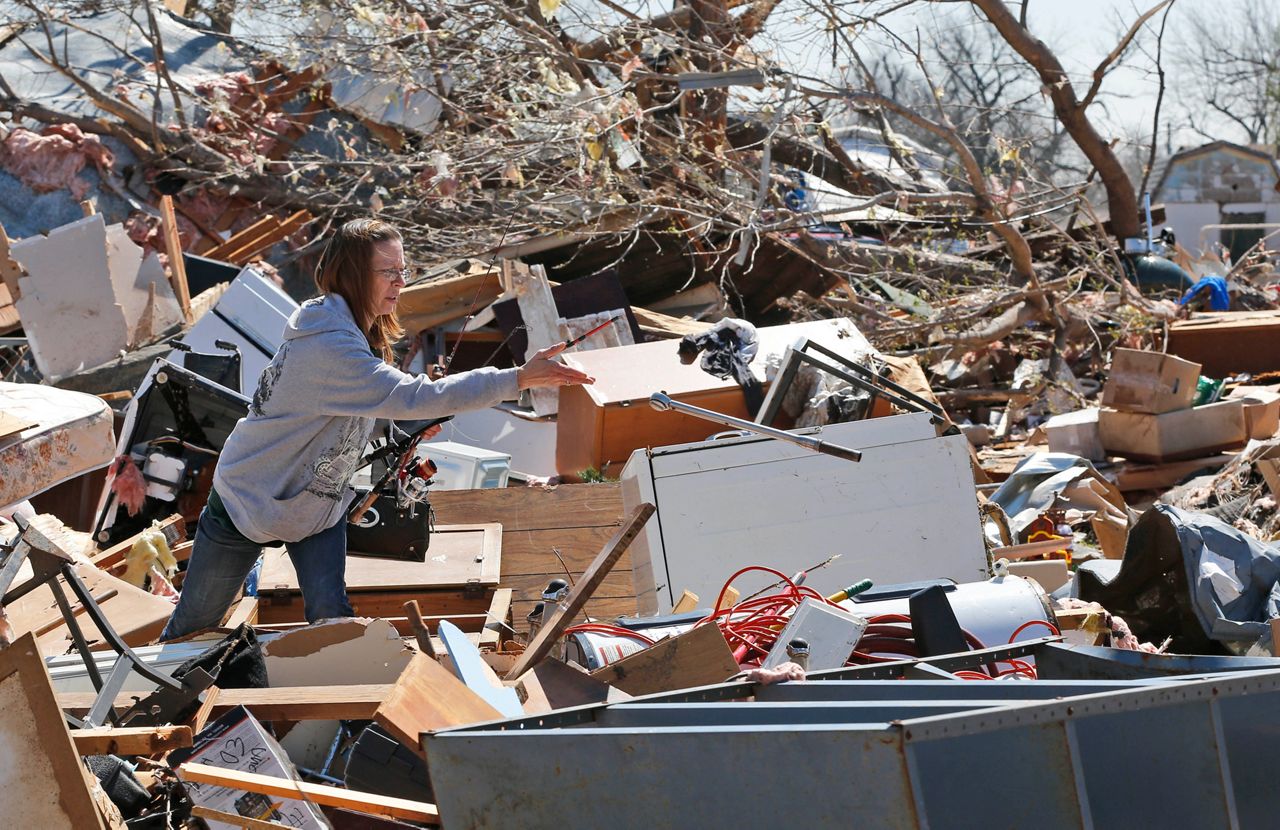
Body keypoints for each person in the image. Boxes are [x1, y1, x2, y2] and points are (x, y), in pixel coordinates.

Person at [160, 219, 592, 640]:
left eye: (404, 271)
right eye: (388, 272)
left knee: (334, 624)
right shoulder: (330, 346)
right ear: (352, 275)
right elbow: (415, 397)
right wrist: (517, 377)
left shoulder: (354, 331)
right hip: (247, 499)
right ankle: (136, 706)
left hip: (313, 507)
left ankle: (348, 709)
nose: (400, 283)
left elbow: (356, 409)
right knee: (193, 627)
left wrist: (396, 427)